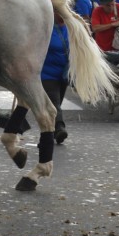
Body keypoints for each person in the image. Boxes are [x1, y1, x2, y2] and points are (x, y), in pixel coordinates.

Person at [41, 16, 70, 144]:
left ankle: (50, 131)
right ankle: (59, 128)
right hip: (47, 73)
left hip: (64, 74)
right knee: (54, 102)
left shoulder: (71, 28)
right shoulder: (46, 27)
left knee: (56, 104)